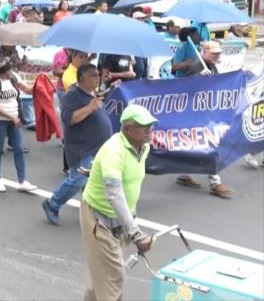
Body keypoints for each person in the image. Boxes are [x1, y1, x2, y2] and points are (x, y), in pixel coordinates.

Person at [80, 105, 156, 301]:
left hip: (120, 221)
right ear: (128, 129)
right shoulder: (114, 150)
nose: (149, 130)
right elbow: (114, 193)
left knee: (100, 278)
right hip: (99, 218)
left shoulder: (143, 148)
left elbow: (130, 185)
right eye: (143, 126)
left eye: (151, 125)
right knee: (113, 278)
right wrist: (136, 232)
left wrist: (131, 221)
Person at [42, 64, 112, 225]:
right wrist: (90, 107)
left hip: (97, 146)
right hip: (82, 148)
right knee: (78, 179)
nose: (97, 78)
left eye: (97, 75)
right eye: (93, 75)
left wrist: (110, 87)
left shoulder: (92, 92)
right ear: (82, 78)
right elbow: (69, 119)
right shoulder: (73, 95)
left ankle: (91, 210)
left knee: (94, 179)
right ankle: (52, 204)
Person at [174, 41, 233, 199]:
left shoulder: (212, 67)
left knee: (193, 145)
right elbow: (182, 88)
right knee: (211, 146)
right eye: (214, 53)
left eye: (218, 53)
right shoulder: (195, 66)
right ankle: (214, 181)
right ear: (204, 52)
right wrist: (197, 78)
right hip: (194, 115)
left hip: (206, 113)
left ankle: (184, 173)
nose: (217, 55)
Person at [0, 61, 37, 192]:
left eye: (11, 69)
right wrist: (11, 117)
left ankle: (22, 181)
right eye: (8, 71)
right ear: (1, 72)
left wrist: (40, 82)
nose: (11, 72)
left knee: (19, 149)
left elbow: (27, 89)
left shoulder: (14, 76)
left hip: (13, 120)